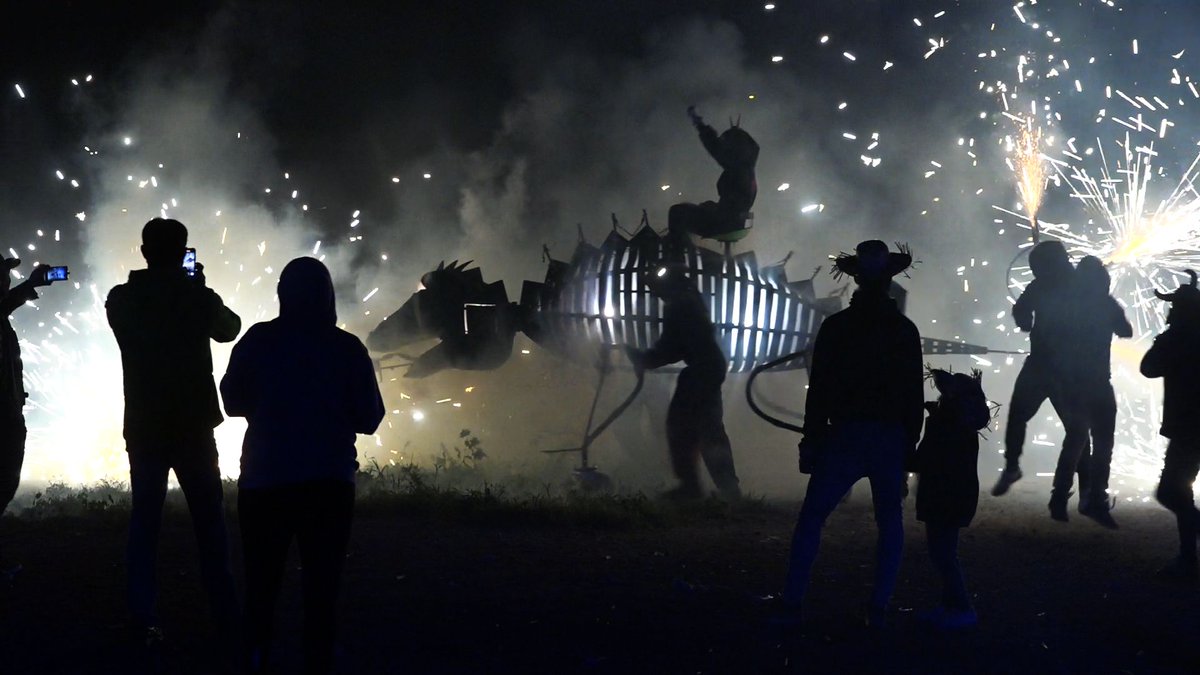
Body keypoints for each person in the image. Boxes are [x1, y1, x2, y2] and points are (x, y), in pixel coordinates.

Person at [221, 256, 385, 674]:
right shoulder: (346, 347)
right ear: (326, 296)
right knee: (322, 586)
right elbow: (370, 417)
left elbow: (233, 401)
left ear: (282, 295)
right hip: (328, 482)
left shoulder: (258, 340)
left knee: (261, 583)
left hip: (265, 479)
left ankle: (255, 658)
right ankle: (318, 662)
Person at [106, 218, 241, 647]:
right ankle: (223, 612)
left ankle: (142, 615)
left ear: (144, 252)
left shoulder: (122, 299)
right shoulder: (194, 296)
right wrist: (197, 288)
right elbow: (230, 328)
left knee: (145, 520)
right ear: (184, 252)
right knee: (210, 521)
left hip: (145, 425)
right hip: (193, 424)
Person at [781, 240, 924, 627]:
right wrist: (909, 448)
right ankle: (878, 608)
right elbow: (914, 395)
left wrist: (812, 437)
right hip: (889, 439)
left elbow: (821, 388)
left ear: (856, 280)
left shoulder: (837, 327)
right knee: (889, 521)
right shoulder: (904, 331)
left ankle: (792, 603)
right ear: (890, 281)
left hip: (844, 436)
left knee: (812, 518)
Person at [625, 265, 740, 501]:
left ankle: (692, 488)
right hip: (708, 368)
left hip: (701, 370)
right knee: (709, 429)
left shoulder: (679, 305)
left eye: (655, 289)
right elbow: (678, 346)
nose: (655, 294)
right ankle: (726, 488)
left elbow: (670, 347)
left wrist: (642, 358)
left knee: (681, 428)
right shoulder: (690, 299)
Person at [991, 240, 1079, 520]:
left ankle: (1063, 491)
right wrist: (1025, 321)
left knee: (1073, 431)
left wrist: (1025, 321)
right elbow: (1021, 309)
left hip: (1060, 369)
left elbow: (1021, 309)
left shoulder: (1064, 285)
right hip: (1049, 367)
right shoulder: (1055, 284)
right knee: (1070, 431)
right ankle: (1021, 471)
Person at [0, 255, 65, 579]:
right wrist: (29, 285)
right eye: (2, 274)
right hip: (3, 416)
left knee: (5, 481)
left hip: (9, 410)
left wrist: (30, 285)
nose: (5, 280)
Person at [914, 369, 991, 630]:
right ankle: (950, 606)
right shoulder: (964, 423)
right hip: (958, 495)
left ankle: (961, 607)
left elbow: (923, 459)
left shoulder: (944, 423)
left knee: (942, 554)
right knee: (946, 552)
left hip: (942, 495)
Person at [1060, 256, 1132, 528]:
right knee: (1102, 443)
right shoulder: (1105, 304)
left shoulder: (1068, 303)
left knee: (1081, 441)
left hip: (1073, 384)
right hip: (1099, 384)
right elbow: (1126, 331)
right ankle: (1095, 495)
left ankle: (1087, 493)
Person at [1140, 270, 1200, 581]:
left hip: (1189, 428)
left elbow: (1148, 368)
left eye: (1174, 306)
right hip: (1189, 427)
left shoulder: (1176, 338)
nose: (1170, 310)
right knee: (1178, 491)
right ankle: (1188, 558)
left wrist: (1164, 340)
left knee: (1172, 493)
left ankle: (1189, 558)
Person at [667, 106, 758, 241]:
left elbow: (715, 147)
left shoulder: (737, 167)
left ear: (734, 148)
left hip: (724, 224)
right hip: (737, 224)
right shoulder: (747, 169)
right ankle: (683, 246)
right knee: (698, 209)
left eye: (726, 144)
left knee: (677, 212)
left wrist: (699, 124)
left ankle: (676, 252)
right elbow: (736, 203)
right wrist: (714, 207)